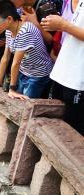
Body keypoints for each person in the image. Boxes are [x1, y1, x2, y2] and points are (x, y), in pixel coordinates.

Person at [0, 1, 54, 99]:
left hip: (38, 75)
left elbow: (16, 63)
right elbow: (5, 57)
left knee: (25, 105)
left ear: (9, 19)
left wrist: (12, 89)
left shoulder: (25, 31)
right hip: (25, 71)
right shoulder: (9, 30)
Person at [41, 0, 84, 133]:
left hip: (77, 78)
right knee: (54, 123)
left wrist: (63, 25)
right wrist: (60, 25)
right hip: (63, 71)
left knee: (72, 130)